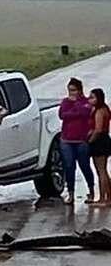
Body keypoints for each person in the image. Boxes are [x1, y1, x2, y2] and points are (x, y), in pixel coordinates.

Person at [59, 77, 95, 205]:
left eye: (73, 90)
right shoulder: (65, 102)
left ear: (79, 90)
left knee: (84, 166)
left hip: (81, 140)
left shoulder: (86, 102)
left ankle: (91, 189)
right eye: (69, 90)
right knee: (69, 167)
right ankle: (71, 193)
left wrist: (75, 106)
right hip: (66, 140)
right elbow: (62, 115)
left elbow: (85, 112)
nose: (71, 93)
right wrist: (74, 111)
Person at [88, 88, 111, 205]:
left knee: (100, 171)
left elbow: (98, 129)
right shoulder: (105, 109)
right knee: (104, 170)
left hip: (99, 142)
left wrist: (90, 141)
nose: (89, 99)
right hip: (105, 140)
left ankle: (103, 198)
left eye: (92, 97)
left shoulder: (99, 112)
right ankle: (108, 197)